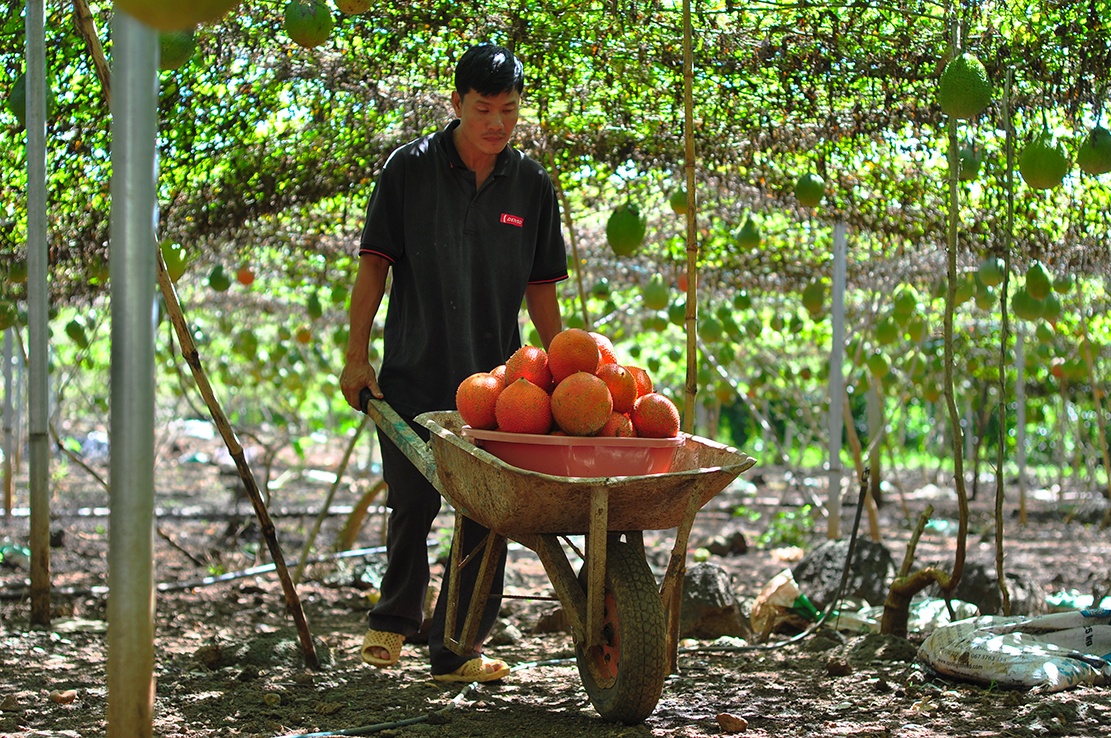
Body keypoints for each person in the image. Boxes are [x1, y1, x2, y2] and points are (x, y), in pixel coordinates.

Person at [339, 43, 567, 683]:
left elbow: (542, 290)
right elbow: (374, 267)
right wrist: (355, 358)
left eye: (510, 110)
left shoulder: (530, 185)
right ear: (457, 104)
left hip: (499, 385)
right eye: (484, 108)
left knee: (487, 515)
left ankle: (456, 648)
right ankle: (393, 620)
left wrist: (568, 371)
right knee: (411, 500)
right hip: (414, 367)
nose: (498, 123)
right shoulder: (408, 170)